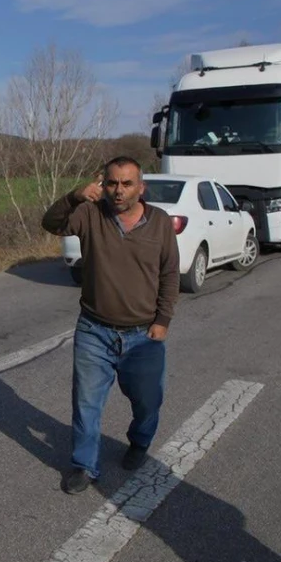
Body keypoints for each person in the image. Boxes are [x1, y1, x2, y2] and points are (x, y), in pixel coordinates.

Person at [40, 156, 180, 494]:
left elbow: (169, 273)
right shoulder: (90, 214)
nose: (118, 191)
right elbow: (52, 222)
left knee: (148, 401)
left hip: (144, 335)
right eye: (112, 183)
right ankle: (84, 465)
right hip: (94, 330)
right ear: (104, 184)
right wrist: (75, 195)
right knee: (86, 401)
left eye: (126, 183)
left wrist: (163, 320)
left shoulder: (159, 222)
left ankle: (140, 442)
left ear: (140, 187)